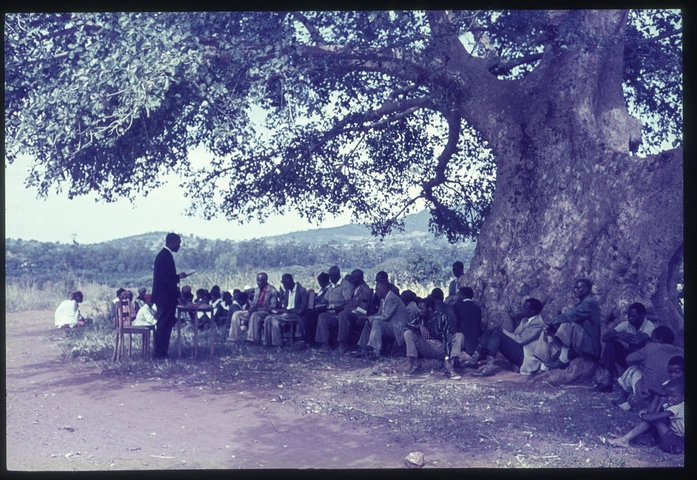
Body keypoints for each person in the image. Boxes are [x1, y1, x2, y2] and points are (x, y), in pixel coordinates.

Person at [464, 298, 546, 377]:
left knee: (497, 332)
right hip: (519, 351)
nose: (522, 309)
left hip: (525, 357)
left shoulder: (538, 324)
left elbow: (521, 340)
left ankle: (488, 366)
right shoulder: (524, 320)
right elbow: (514, 334)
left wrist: (501, 329)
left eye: (525, 308)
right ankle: (474, 358)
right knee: (491, 329)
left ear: (532, 311)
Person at [613, 326, 683, 411]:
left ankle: (622, 401)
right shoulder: (681, 352)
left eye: (652, 339)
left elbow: (629, 360)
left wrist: (644, 362)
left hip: (647, 399)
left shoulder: (651, 347)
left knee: (633, 368)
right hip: (673, 400)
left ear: (660, 340)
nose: (650, 341)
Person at [537, 278, 601, 370]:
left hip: (590, 345)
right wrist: (551, 327)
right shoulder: (581, 303)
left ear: (587, 289)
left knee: (567, 321)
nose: (575, 290)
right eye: (574, 287)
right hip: (580, 340)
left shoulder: (590, 302)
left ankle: (563, 359)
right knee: (547, 329)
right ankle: (542, 366)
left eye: (578, 288)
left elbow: (571, 315)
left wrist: (552, 322)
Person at [608, 378, 684, 454]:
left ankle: (625, 439)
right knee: (656, 419)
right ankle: (627, 438)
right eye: (667, 396)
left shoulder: (679, 407)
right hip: (674, 438)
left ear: (683, 396)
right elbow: (657, 412)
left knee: (655, 420)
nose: (669, 399)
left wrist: (644, 416)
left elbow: (653, 417)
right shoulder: (671, 404)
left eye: (673, 396)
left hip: (677, 444)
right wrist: (647, 412)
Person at [595, 302, 656, 392]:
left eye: (634, 316)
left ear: (642, 315)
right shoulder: (626, 324)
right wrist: (618, 334)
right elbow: (605, 337)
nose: (630, 319)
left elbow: (638, 341)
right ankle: (606, 379)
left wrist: (620, 335)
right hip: (628, 357)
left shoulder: (649, 326)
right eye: (629, 316)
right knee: (610, 344)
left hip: (641, 361)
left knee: (634, 346)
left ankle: (630, 378)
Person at [151, 233, 191, 359]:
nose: (179, 246)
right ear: (172, 243)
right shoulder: (165, 257)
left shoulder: (164, 256)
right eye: (178, 243)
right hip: (165, 298)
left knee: (166, 325)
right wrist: (178, 294)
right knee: (163, 325)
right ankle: (159, 353)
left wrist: (178, 276)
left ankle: (162, 352)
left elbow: (167, 276)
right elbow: (167, 281)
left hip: (164, 297)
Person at [403, 297, 462, 380]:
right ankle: (414, 364)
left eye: (421, 308)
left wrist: (446, 357)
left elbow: (447, 338)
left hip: (440, 347)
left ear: (429, 308)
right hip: (426, 345)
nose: (419, 310)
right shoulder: (418, 316)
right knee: (408, 333)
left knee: (459, 336)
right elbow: (406, 326)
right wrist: (419, 326)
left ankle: (450, 366)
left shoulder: (443, 317)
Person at [354, 280, 409, 359]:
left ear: (384, 289)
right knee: (369, 322)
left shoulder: (392, 298)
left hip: (397, 328)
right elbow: (379, 314)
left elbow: (385, 317)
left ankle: (376, 352)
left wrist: (368, 317)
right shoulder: (383, 299)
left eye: (378, 289)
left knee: (376, 322)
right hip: (390, 325)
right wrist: (368, 318)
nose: (376, 292)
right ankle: (364, 349)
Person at [230, 273, 279, 345]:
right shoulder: (257, 290)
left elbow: (273, 306)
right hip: (255, 310)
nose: (258, 283)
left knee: (255, 315)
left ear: (265, 280)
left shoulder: (272, 290)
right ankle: (233, 339)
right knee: (237, 314)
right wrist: (251, 309)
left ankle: (250, 339)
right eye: (257, 281)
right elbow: (254, 303)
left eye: (260, 281)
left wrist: (259, 309)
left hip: (266, 312)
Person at [315, 266, 354, 350]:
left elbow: (349, 303)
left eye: (332, 276)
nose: (330, 278)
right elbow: (325, 300)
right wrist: (320, 306)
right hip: (331, 312)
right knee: (322, 316)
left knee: (341, 316)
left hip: (341, 312)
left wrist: (338, 307)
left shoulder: (346, 285)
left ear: (337, 275)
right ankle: (324, 344)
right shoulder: (330, 286)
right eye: (329, 276)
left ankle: (342, 343)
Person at [265, 273, 308, 348]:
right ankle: (268, 343)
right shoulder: (287, 291)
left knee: (275, 319)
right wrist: (281, 311)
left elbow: (302, 308)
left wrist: (289, 311)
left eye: (286, 283)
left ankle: (277, 344)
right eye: (283, 283)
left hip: (297, 315)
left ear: (291, 281)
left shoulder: (301, 291)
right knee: (268, 318)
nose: (284, 285)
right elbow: (286, 306)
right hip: (287, 314)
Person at [335, 269, 373, 353]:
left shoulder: (365, 290)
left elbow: (363, 308)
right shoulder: (354, 288)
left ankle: (343, 342)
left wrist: (350, 309)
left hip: (359, 314)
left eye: (354, 278)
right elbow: (349, 302)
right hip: (351, 311)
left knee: (343, 315)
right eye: (352, 277)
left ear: (360, 278)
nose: (352, 280)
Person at [452, 286, 482, 357]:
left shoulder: (457, 306)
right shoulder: (477, 308)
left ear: (463, 296)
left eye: (459, 294)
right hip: (475, 342)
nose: (458, 296)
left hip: (462, 341)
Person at [304, 272, 330, 346]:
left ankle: (310, 340)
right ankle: (309, 339)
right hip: (317, 308)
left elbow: (324, 301)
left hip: (323, 308)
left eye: (320, 282)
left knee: (310, 316)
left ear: (323, 281)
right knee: (308, 314)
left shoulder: (328, 289)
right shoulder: (322, 289)